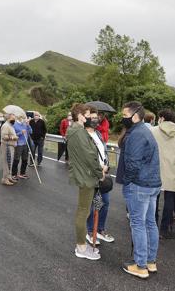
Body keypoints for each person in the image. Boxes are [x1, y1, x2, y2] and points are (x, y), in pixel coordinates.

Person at [117, 101, 161, 279]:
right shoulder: (146, 131)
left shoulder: (136, 134)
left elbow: (133, 165)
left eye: (124, 115)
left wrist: (127, 182)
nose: (122, 119)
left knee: (138, 224)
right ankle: (150, 261)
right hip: (152, 185)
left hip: (139, 185)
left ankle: (140, 265)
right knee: (150, 223)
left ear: (135, 116)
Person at [67, 103, 104, 261]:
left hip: (85, 174)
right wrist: (99, 172)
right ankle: (81, 246)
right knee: (83, 211)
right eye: (88, 114)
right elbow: (89, 155)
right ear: (80, 115)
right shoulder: (78, 132)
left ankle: (82, 243)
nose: (90, 117)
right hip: (86, 176)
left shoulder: (77, 130)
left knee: (84, 210)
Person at [150, 109, 175, 239]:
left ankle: (152, 226)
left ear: (161, 118)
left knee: (154, 198)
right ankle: (166, 228)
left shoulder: (152, 131)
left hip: (154, 168)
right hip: (172, 169)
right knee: (169, 199)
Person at [85, 109, 113, 246]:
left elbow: (104, 151)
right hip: (91, 174)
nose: (96, 120)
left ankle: (100, 229)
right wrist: (97, 169)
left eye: (97, 117)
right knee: (93, 204)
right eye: (92, 117)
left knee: (105, 202)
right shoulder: (83, 135)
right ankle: (91, 231)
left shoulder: (98, 133)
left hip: (103, 172)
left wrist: (106, 165)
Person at [0, 113, 18, 186]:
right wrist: (14, 138)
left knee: (10, 163)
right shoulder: (6, 126)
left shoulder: (10, 125)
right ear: (8, 118)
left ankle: (9, 176)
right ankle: (4, 179)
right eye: (13, 118)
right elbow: (4, 137)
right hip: (7, 146)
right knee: (6, 163)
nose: (14, 119)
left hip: (11, 146)